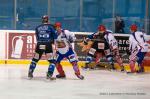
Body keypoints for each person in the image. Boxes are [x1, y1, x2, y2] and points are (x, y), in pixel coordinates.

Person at [28, 15, 57, 79]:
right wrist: (55, 45)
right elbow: (55, 36)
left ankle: (30, 72)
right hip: (48, 44)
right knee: (52, 61)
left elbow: (37, 37)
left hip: (39, 44)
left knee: (35, 59)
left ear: (42, 20)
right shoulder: (51, 26)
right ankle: (49, 74)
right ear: (48, 20)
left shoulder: (37, 27)